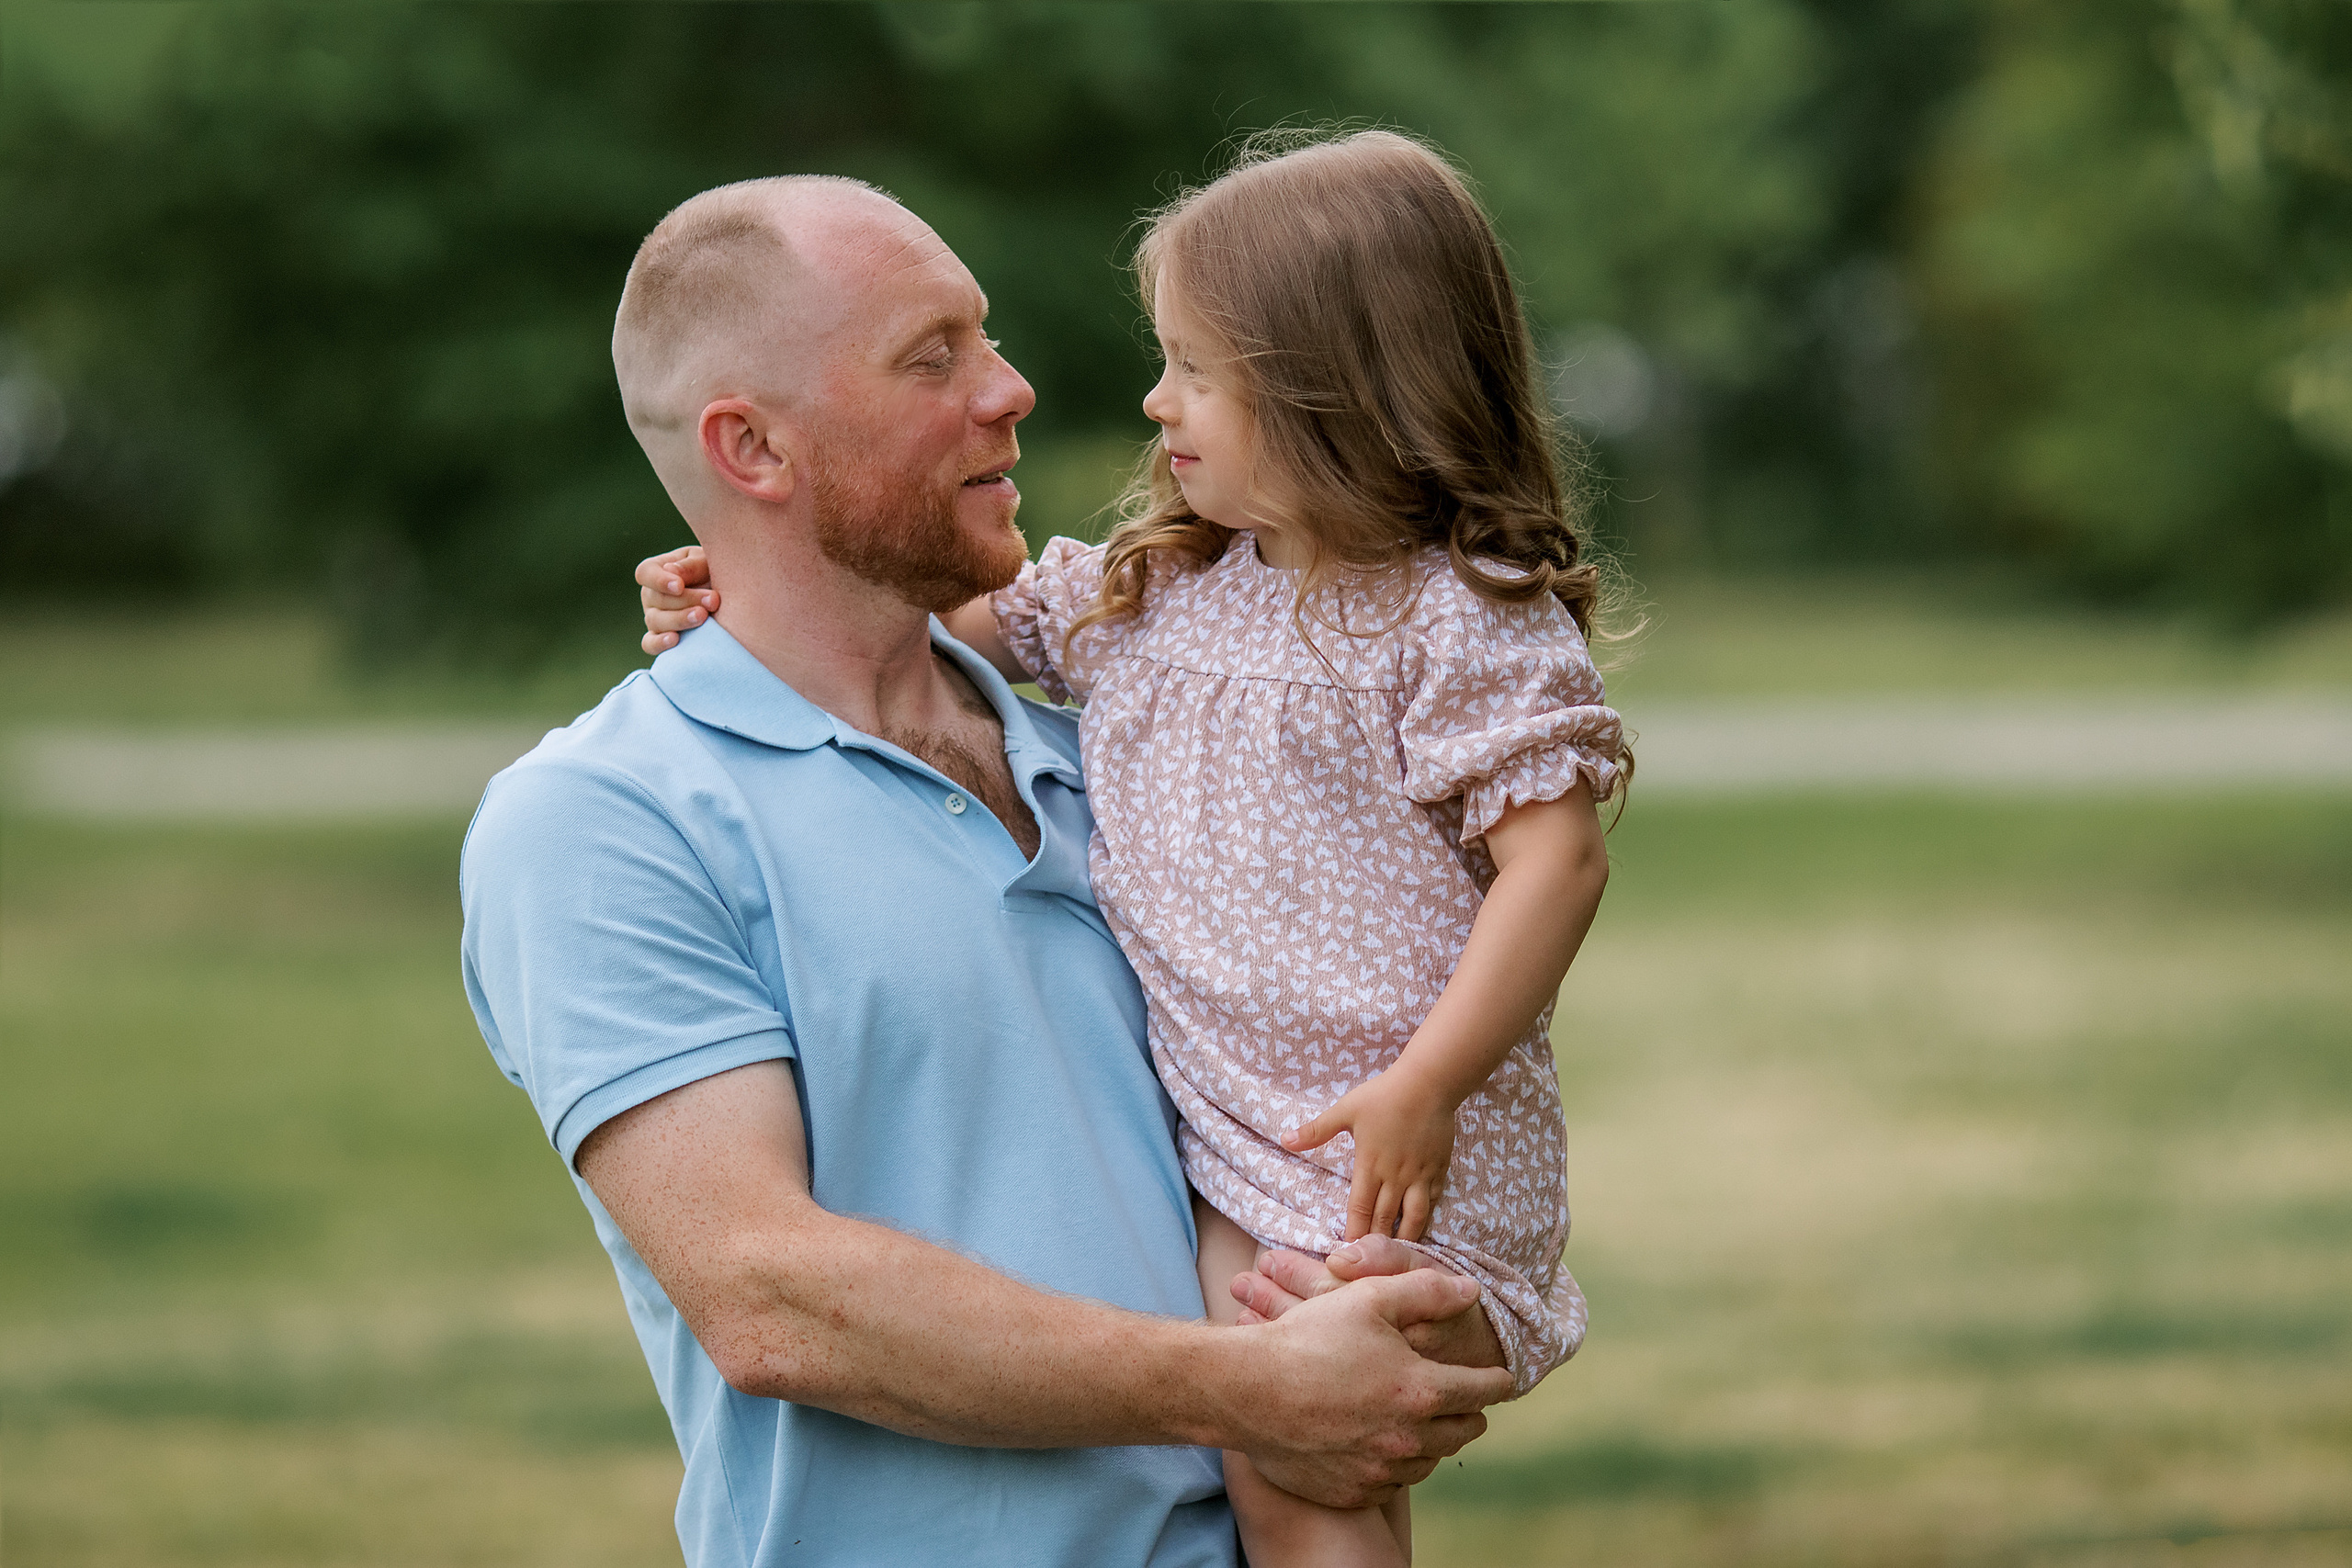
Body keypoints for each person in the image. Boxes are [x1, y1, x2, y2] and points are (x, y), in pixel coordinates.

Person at [461, 171, 1515, 1568]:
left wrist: (1389, 1313)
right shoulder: (606, 818)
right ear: (755, 450)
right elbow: (771, 1297)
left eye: (987, 335)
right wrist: (1257, 1389)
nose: (1011, 388)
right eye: (931, 357)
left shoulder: (1128, 750)